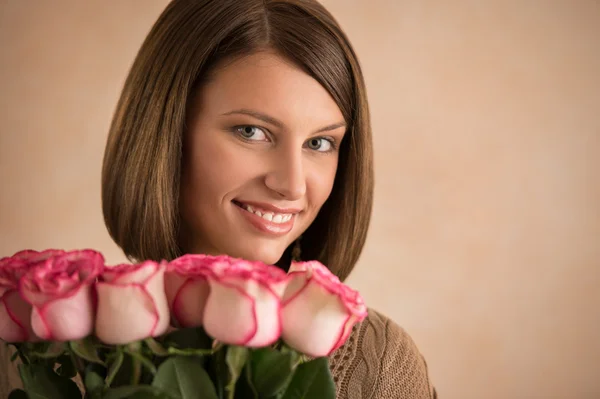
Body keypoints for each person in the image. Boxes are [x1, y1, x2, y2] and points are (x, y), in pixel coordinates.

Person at [109, 0, 437, 397]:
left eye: (319, 142)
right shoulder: (44, 355)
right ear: (167, 129)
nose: (293, 185)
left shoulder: (382, 363)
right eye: (252, 132)